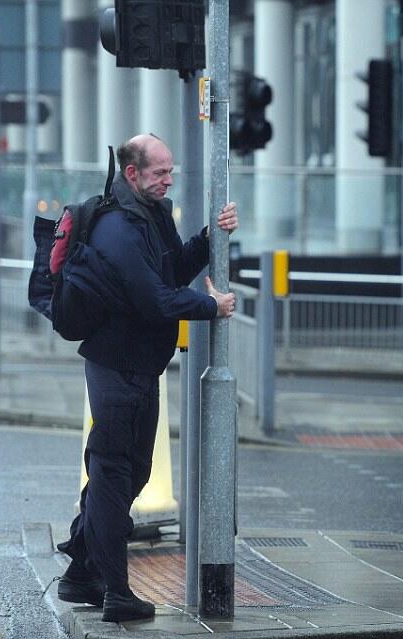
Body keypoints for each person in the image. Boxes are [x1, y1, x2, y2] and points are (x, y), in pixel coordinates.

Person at [55, 134, 238, 623]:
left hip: (140, 367)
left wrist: (209, 237)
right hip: (116, 369)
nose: (169, 179)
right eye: (159, 172)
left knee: (129, 472)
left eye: (171, 171)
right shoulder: (117, 228)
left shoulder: (152, 215)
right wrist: (211, 306)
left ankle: (80, 571)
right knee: (114, 473)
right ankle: (116, 591)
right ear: (132, 173)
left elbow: (172, 270)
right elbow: (154, 300)